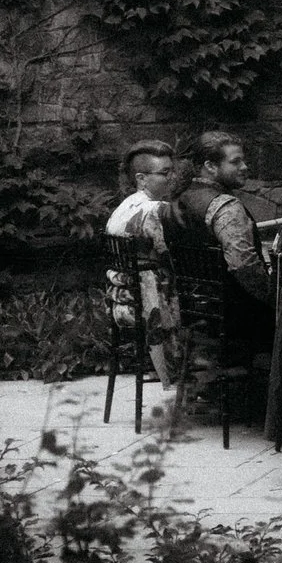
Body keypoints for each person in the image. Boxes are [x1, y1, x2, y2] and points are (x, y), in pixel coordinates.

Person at [105, 139, 181, 382]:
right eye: (165, 173)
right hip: (149, 304)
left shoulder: (123, 207)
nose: (172, 177)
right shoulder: (155, 210)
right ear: (141, 179)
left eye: (172, 171)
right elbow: (173, 256)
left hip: (123, 299)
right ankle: (195, 377)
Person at [172, 131, 272, 312]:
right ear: (210, 166)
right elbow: (243, 265)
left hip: (193, 310)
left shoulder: (179, 198)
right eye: (235, 162)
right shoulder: (226, 207)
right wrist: (274, 298)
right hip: (237, 314)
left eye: (243, 161)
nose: (244, 167)